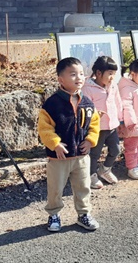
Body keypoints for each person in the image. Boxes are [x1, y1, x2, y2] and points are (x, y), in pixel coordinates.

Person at [38, 57, 100, 232]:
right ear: (61, 80)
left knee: (83, 186)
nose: (79, 77)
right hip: (59, 157)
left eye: (81, 73)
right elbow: (44, 128)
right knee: (55, 188)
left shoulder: (87, 103)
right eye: (73, 74)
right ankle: (54, 214)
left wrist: (90, 141)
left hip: (81, 156)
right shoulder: (51, 104)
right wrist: (55, 143)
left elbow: (94, 124)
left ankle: (84, 214)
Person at [82, 56, 122, 189]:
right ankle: (91, 175)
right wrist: (93, 116)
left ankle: (105, 169)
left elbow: (117, 102)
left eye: (114, 74)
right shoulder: (87, 88)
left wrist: (120, 119)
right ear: (99, 73)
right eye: (110, 74)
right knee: (94, 153)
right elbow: (86, 106)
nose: (112, 77)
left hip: (111, 125)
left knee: (116, 149)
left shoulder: (113, 86)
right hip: (96, 128)